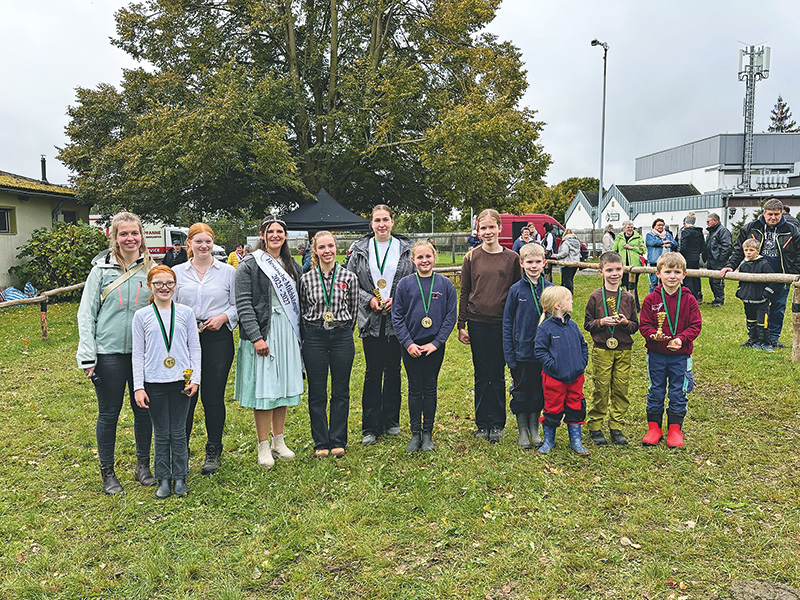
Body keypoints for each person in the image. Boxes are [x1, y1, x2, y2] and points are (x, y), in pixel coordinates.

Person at [77, 211, 156, 495]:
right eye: (124, 234)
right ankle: (107, 472)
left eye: (134, 233)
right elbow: (86, 314)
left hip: (142, 354)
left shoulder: (153, 270)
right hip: (108, 353)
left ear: (141, 236)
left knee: (144, 410)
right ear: (114, 237)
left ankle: (143, 466)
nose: (130, 238)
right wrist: (88, 356)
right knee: (109, 413)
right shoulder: (100, 271)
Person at [234, 216, 304, 469]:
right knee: (265, 389)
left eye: (280, 231)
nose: (275, 235)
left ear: (285, 236)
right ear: (262, 235)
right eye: (270, 231)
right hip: (264, 332)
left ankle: (279, 440)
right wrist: (256, 337)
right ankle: (263, 444)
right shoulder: (250, 264)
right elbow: (243, 303)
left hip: (287, 331)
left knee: (282, 386)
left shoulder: (292, 265)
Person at [347, 205, 414, 445]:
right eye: (377, 220)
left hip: (398, 318)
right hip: (371, 318)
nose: (382, 224)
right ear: (371, 224)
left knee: (394, 370)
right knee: (373, 371)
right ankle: (370, 427)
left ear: (392, 222)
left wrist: (398, 299)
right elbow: (350, 282)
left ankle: (392, 421)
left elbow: (414, 280)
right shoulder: (359, 250)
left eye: (385, 219)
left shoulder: (406, 249)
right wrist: (369, 300)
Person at [173, 223, 238, 475]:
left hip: (217, 339)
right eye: (198, 241)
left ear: (213, 243)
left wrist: (224, 317)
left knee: (213, 396)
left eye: (207, 241)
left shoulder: (228, 272)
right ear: (189, 243)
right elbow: (169, 303)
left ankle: (213, 449)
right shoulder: (177, 272)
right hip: (185, 341)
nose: (203, 246)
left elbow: (237, 304)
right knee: (185, 396)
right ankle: (181, 450)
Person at [132, 265, 201, 499]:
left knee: (179, 431)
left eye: (169, 283)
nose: (164, 287)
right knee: (161, 432)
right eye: (159, 283)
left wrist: (196, 379)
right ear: (150, 286)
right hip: (154, 382)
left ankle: (180, 476)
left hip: (182, 381)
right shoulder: (142, 316)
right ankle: (163, 477)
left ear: (175, 285)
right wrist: (138, 387)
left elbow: (195, 348)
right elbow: (137, 354)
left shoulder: (186, 313)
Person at [458, 209, 522, 443]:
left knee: (496, 373)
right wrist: (461, 324)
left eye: (491, 227)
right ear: (478, 230)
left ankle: (496, 423)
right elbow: (465, 291)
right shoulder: (471, 257)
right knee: (481, 373)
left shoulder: (511, 258)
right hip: (477, 322)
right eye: (483, 228)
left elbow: (517, 293)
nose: (487, 232)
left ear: (499, 228)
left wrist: (515, 325)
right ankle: (482, 422)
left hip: (501, 324)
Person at [392, 240, 457, 453]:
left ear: (434, 257)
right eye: (420, 257)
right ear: (413, 260)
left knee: (429, 387)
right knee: (414, 388)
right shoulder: (404, 284)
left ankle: (427, 432)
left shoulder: (445, 285)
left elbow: (450, 316)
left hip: (433, 346)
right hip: (411, 346)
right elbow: (397, 316)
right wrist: (408, 343)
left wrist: (436, 343)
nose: (424, 260)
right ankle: (415, 433)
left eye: (428, 256)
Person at [300, 231, 359, 458]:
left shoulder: (349, 277)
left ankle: (338, 439)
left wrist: (342, 330)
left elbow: (353, 310)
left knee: (340, 390)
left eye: (331, 246)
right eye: (322, 247)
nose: (327, 251)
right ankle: (321, 441)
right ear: (315, 251)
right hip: (314, 336)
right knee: (317, 391)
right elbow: (303, 309)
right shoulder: (306, 279)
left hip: (341, 335)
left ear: (336, 247)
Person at [639, 252, 702, 448]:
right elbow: (644, 324)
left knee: (678, 391)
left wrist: (681, 339)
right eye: (667, 272)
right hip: (656, 355)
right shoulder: (651, 299)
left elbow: (696, 325)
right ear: (658, 274)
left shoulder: (689, 300)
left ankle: (675, 429)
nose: (672, 276)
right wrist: (652, 335)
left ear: (684, 274)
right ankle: (654, 428)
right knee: (656, 390)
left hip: (680, 356)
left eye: (677, 272)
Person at [722, 198, 800, 348]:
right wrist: (730, 266)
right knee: (754, 308)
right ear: (764, 213)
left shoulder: (792, 230)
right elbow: (739, 249)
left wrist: (794, 273)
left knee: (778, 307)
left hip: (781, 276)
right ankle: (754, 338)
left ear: (782, 213)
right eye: (770, 214)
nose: (773, 217)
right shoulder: (751, 228)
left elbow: (798, 253)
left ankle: (773, 338)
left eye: (776, 214)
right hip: (756, 277)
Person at [583, 252, 639, 446]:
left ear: (623, 270)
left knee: (621, 388)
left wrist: (625, 323)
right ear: (601, 272)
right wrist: (601, 322)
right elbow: (587, 324)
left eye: (618, 269)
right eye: (609, 270)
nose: (614, 274)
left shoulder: (628, 297)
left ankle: (616, 426)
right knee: (601, 388)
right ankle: (595, 426)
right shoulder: (595, 297)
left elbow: (635, 326)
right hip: (602, 349)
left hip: (623, 349)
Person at [502, 243, 552, 449]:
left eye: (538, 262)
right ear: (521, 263)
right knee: (521, 391)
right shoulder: (515, 290)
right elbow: (507, 323)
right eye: (529, 262)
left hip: (544, 354)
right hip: (521, 353)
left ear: (544, 263)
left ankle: (534, 428)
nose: (534, 266)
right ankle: (522, 430)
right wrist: (509, 355)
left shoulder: (551, 289)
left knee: (538, 391)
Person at [533, 286, 589, 456]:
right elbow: (540, 351)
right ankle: (549, 441)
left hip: (575, 377)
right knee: (553, 408)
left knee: (576, 406)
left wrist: (581, 364)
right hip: (554, 379)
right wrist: (554, 365)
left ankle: (576, 441)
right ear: (558, 305)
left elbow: (583, 345)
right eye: (568, 299)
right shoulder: (545, 328)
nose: (572, 301)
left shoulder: (573, 326)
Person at [733, 238, 776, 350]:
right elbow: (741, 281)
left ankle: (765, 342)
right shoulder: (743, 265)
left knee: (763, 323)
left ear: (758, 251)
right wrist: (740, 291)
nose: (748, 253)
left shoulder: (764, 264)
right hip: (748, 300)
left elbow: (772, 281)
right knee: (751, 321)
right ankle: (753, 340)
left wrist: (765, 294)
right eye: (746, 250)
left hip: (761, 301)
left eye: (751, 250)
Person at [702, 213, 732, 307]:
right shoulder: (712, 232)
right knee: (711, 281)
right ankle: (716, 298)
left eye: (708, 221)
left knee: (717, 281)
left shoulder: (723, 231)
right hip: (711, 259)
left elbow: (727, 246)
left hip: (717, 260)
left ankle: (719, 299)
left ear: (715, 221)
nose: (707, 223)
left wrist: (720, 259)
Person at [611, 220, 645, 300]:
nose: (630, 229)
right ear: (624, 228)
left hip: (635, 265)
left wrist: (632, 247)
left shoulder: (638, 237)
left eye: (632, 227)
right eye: (628, 227)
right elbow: (614, 249)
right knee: (626, 285)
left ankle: (635, 304)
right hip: (623, 265)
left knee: (633, 286)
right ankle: (626, 302)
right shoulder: (619, 237)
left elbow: (643, 249)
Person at [676, 213, 705, 302]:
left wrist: (680, 254)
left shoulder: (685, 232)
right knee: (696, 276)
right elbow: (703, 246)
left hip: (687, 257)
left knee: (687, 277)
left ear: (686, 222)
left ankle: (689, 296)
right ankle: (698, 294)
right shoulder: (699, 232)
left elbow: (683, 246)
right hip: (695, 257)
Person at [645, 218, 675, 292]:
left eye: (662, 225)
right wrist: (663, 242)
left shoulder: (668, 235)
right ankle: (653, 297)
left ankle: (663, 296)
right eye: (659, 225)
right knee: (653, 282)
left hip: (666, 262)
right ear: (654, 226)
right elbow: (651, 243)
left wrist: (670, 245)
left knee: (664, 282)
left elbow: (675, 243)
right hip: (654, 262)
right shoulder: (650, 235)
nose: (661, 227)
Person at [550, 228, 582, 293]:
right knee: (570, 278)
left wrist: (556, 256)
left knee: (566, 279)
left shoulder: (566, 242)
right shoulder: (578, 242)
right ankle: (567, 291)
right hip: (576, 262)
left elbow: (564, 253)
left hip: (567, 262)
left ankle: (569, 292)